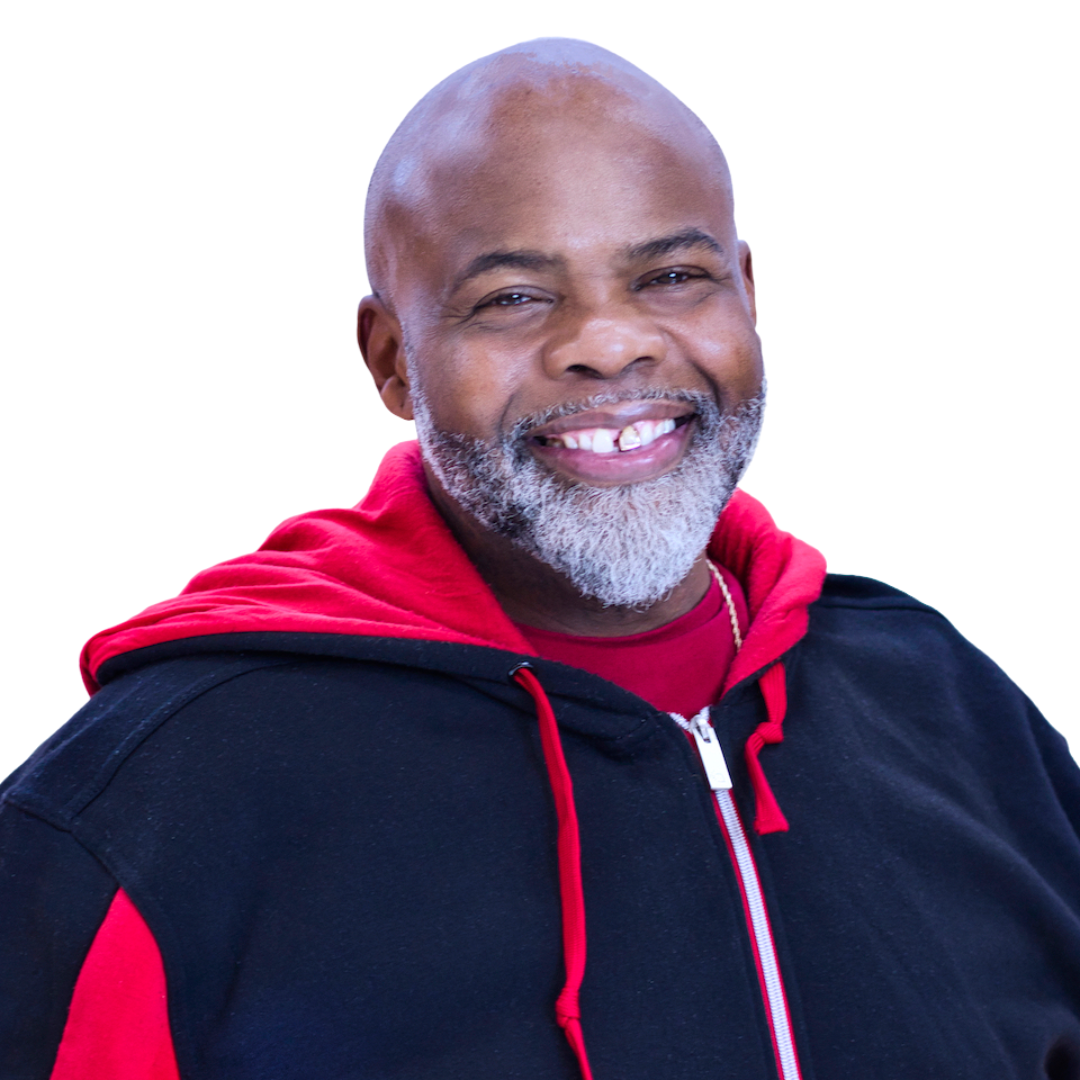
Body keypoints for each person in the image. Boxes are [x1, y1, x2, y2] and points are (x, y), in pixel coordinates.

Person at [2, 37, 1078, 1080]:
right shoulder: (153, 805)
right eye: (513, 297)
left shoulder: (951, 709)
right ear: (392, 359)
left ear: (747, 292)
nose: (609, 344)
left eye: (673, 275)